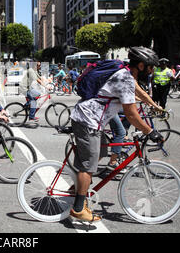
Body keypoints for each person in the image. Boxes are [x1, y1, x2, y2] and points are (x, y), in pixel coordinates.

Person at [68, 47, 164, 223]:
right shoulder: (125, 77)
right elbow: (131, 114)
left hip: (92, 120)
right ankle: (78, 208)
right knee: (89, 166)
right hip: (88, 120)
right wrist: (150, 131)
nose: (152, 72)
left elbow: (139, 92)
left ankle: (77, 188)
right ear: (141, 65)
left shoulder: (125, 73)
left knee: (101, 153)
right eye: (151, 68)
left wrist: (154, 105)